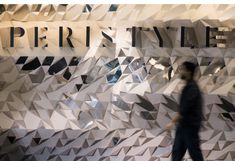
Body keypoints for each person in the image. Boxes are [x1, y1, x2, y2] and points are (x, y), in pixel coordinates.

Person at [165, 61, 204, 161]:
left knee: (195, 153)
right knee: (177, 153)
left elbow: (184, 110)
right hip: (183, 126)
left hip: (190, 127)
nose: (180, 71)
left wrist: (172, 122)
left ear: (188, 72)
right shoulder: (188, 87)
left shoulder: (192, 88)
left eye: (182, 69)